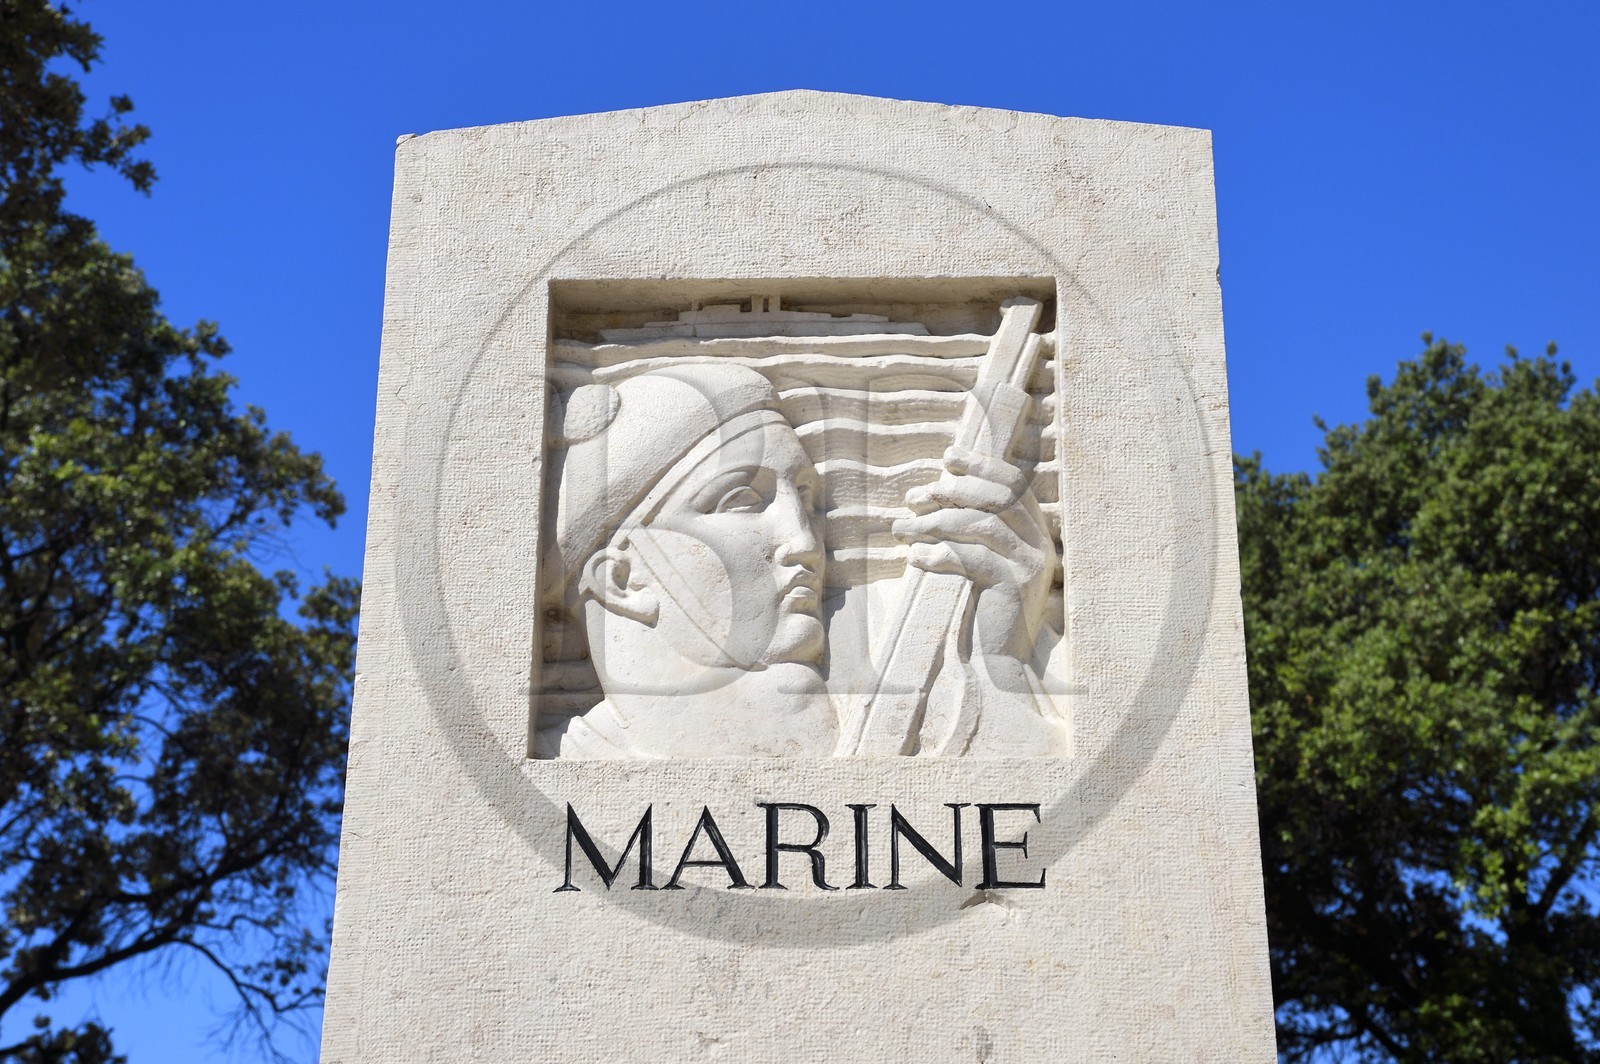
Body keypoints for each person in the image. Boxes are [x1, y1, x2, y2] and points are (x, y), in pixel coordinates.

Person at [535, 363, 1063, 758]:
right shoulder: (577, 763)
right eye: (740, 500)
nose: (805, 540)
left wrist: (1000, 658)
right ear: (622, 579)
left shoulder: (899, 643)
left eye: (807, 500)